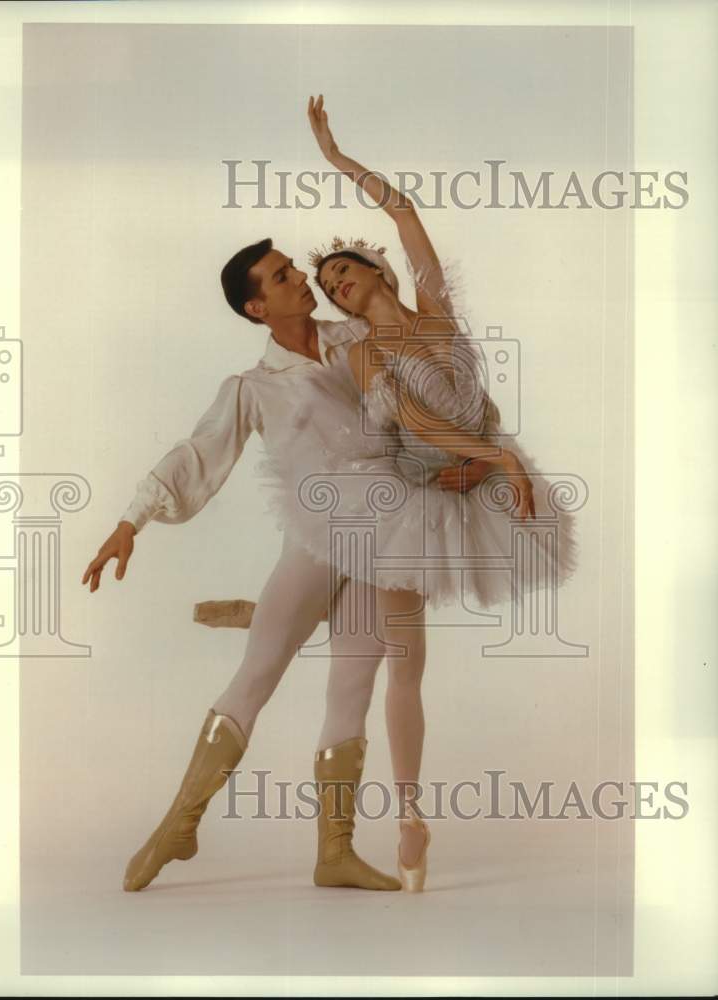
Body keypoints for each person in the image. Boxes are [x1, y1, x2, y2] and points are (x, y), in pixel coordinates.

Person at [81, 228, 489, 893]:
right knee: (258, 674)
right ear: (255, 310)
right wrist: (132, 521)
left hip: (383, 536)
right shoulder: (252, 386)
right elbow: (196, 451)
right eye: (279, 279)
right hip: (319, 536)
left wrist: (467, 463)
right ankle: (176, 826)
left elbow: (422, 409)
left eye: (292, 273)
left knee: (352, 683)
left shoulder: (358, 341)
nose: (300, 280)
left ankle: (335, 852)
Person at [258, 96, 580, 890]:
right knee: (406, 662)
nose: (334, 286)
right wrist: (495, 460)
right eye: (327, 285)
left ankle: (402, 812)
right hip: (412, 497)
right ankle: (409, 816)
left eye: (343, 271)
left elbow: (400, 210)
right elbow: (412, 424)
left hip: (476, 473)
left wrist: (336, 159)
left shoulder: (435, 306)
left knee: (410, 663)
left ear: (378, 272)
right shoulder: (364, 353)